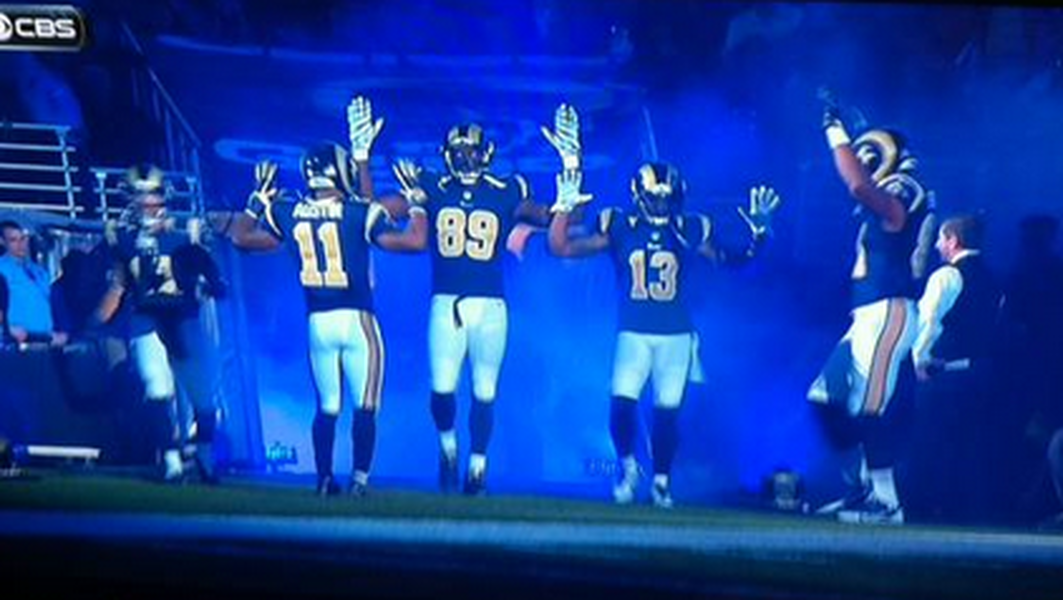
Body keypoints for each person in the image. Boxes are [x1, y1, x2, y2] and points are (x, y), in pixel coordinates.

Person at [546, 106, 781, 508]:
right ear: (638, 196)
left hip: (675, 333)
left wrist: (760, 237)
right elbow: (562, 248)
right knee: (621, 403)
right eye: (653, 197)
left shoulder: (689, 228)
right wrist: (565, 208)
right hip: (634, 331)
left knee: (666, 413)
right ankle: (628, 467)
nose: (659, 204)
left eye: (665, 198)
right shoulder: (619, 224)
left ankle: (661, 480)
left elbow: (731, 262)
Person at [219, 96, 427, 496]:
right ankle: (361, 480)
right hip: (357, 319)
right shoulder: (357, 213)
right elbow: (414, 241)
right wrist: (417, 202)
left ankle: (323, 478)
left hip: (318, 321)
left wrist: (256, 201)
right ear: (342, 176)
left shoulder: (290, 211)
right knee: (365, 406)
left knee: (327, 406)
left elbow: (241, 238)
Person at [387, 114, 555, 496]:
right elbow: (379, 208)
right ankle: (448, 447)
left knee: (484, 389)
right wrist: (394, 190)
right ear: (447, 155)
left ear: (486, 154)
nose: (464, 160)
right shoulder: (432, 185)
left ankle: (477, 466)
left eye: (471, 152)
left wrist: (570, 181)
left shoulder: (506, 189)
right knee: (442, 388)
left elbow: (551, 216)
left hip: (491, 305)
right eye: (459, 153)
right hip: (447, 303)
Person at [806, 100, 937, 524]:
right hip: (867, 314)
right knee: (824, 400)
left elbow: (862, 188)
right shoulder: (894, 186)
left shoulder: (905, 187)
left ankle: (887, 501)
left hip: (890, 309)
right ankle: (862, 487)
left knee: (869, 407)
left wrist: (835, 134)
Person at [96, 164, 227, 484]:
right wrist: (99, 319)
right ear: (130, 198)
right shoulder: (121, 235)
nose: (148, 201)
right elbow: (121, 282)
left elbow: (213, 277)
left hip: (184, 318)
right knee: (157, 389)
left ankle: (205, 456)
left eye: (153, 193)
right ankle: (171, 462)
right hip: (147, 319)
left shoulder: (187, 229)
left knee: (204, 398)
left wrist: (209, 284)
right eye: (141, 194)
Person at [909, 214, 1002, 524]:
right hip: (982, 374)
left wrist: (918, 360)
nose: (936, 244)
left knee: (932, 444)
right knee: (971, 448)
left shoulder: (947, 276)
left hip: (945, 375)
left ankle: (927, 511)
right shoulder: (994, 278)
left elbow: (929, 321)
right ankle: (967, 513)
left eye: (940, 238)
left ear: (952, 240)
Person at [0, 220, 69, 347]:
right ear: (2, 242)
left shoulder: (40, 272)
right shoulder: (1, 270)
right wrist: (8, 329)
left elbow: (52, 303)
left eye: (23, 239)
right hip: (14, 343)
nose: (20, 244)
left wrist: (61, 332)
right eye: (13, 240)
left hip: (45, 341)